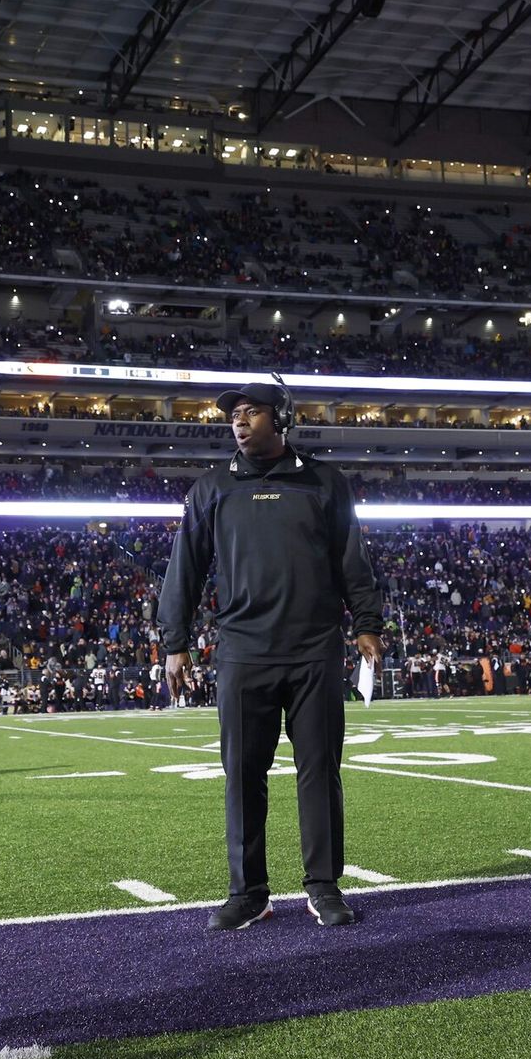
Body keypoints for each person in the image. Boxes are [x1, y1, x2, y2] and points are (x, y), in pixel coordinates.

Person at [157, 379, 383, 931]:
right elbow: (183, 568)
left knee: (319, 772)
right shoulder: (211, 488)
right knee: (241, 774)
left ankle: (323, 885)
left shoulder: (326, 483)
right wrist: (175, 643)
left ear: (282, 418)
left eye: (252, 412)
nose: (239, 421)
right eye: (234, 414)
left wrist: (368, 625)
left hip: (313, 651)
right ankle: (248, 891)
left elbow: (352, 559)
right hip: (241, 651)